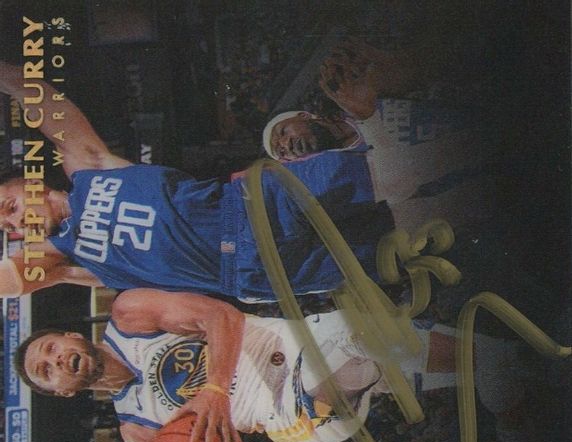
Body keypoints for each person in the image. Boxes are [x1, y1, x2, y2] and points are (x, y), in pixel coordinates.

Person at [15, 288, 535, 442]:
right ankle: (509, 375)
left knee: (393, 350)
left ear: (69, 335)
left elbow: (221, 316)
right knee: (358, 340)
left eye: (51, 348)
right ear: (63, 392)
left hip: (292, 340)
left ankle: (514, 411)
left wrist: (213, 391)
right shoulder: (136, 429)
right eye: (46, 370)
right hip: (286, 411)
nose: (57, 360)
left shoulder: (130, 316)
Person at [0, 60, 392, 302]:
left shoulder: (91, 169)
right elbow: (11, 279)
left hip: (252, 205)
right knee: (401, 243)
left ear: (32, 184)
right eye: (8, 226)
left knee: (392, 172)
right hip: (249, 271)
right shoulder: (63, 255)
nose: (16, 222)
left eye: (10, 207)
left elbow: (35, 93)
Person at [262, 41, 497, 208]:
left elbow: (428, 72)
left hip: (490, 114)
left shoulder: (357, 92)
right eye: (281, 152)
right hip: (492, 169)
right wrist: (368, 116)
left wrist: (393, 63)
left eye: (282, 132)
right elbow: (400, 190)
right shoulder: (340, 175)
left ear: (304, 115)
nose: (285, 145)